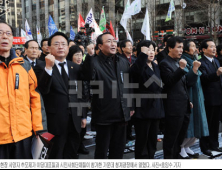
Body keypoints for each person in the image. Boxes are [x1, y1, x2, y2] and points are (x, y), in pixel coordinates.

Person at [82, 32, 135, 159]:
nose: (113, 44)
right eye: (109, 41)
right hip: (104, 115)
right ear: (99, 46)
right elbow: (87, 78)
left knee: (118, 150)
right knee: (102, 150)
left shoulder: (122, 62)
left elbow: (128, 85)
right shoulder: (93, 62)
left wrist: (131, 106)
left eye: (114, 41)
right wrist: (89, 56)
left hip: (122, 114)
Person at [0, 21, 47, 159]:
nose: (4, 36)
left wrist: (39, 127)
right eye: (0, 33)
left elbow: (35, 98)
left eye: (8, 33)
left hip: (23, 135)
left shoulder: (24, 66)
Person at [38, 32, 87, 159]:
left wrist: (83, 115)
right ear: (48, 48)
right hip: (54, 122)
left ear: (68, 48)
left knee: (72, 154)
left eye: (63, 44)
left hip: (75, 120)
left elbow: (80, 93)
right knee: (56, 155)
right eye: (56, 44)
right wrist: (48, 68)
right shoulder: (41, 66)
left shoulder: (75, 67)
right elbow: (42, 90)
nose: (61, 47)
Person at [159, 37, 200, 159]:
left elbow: (183, 85)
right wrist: (181, 69)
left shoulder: (178, 62)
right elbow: (169, 82)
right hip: (173, 107)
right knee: (171, 138)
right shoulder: (164, 63)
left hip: (184, 105)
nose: (181, 50)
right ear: (170, 48)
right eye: (178, 47)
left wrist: (188, 100)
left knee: (179, 138)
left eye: (182, 47)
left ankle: (177, 158)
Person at [130, 40, 165, 159]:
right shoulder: (137, 65)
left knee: (152, 139)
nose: (151, 52)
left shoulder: (155, 65)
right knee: (142, 140)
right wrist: (142, 56)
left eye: (152, 49)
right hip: (143, 107)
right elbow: (136, 74)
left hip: (156, 107)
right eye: (147, 50)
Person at [180, 39, 209, 159]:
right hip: (190, 95)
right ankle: (181, 147)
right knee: (190, 122)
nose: (195, 48)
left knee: (198, 121)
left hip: (198, 95)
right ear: (186, 49)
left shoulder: (194, 60)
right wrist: (195, 69)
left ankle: (188, 146)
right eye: (192, 46)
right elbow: (188, 81)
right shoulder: (184, 61)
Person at [199, 39, 222, 156]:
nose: (214, 49)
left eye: (214, 47)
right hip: (208, 97)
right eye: (211, 47)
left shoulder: (216, 61)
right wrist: (216, 74)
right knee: (206, 123)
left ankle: (214, 144)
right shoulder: (201, 62)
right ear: (203, 50)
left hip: (218, 96)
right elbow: (204, 78)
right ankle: (205, 146)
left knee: (215, 123)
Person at [67, 45, 90, 155]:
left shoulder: (83, 69)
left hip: (84, 100)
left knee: (83, 127)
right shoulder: (68, 70)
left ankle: (79, 145)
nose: (79, 57)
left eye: (81, 55)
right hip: (74, 103)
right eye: (76, 55)